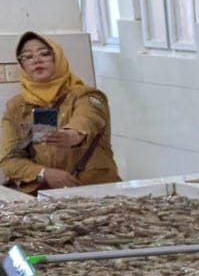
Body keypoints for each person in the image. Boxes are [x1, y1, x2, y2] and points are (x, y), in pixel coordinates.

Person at [2, 33, 119, 193]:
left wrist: (73, 135)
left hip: (93, 190)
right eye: (27, 57)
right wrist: (44, 173)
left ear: (57, 58)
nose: (36, 60)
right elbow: (8, 159)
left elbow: (88, 118)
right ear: (22, 66)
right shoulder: (17, 107)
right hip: (44, 196)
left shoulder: (86, 95)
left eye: (44, 54)